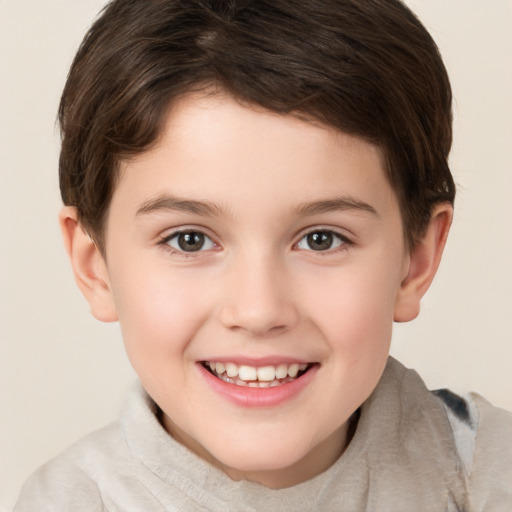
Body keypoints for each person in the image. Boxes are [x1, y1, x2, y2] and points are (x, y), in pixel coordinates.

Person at [14, 0, 512, 510]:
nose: (258, 310)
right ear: (94, 265)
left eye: (322, 239)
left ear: (416, 260)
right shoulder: (64, 501)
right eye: (189, 239)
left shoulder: (488, 476)